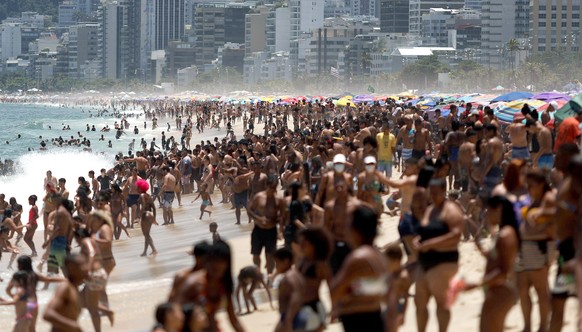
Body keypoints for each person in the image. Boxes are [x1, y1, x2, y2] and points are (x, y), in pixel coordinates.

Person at [463, 195, 519, 332]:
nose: (486, 213)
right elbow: (497, 259)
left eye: (489, 209)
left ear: (498, 209)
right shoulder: (504, 233)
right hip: (497, 290)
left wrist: (477, 284)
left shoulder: (506, 235)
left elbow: (502, 271)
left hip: (501, 291)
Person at [414, 177, 462, 332]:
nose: (433, 196)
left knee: (441, 303)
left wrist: (431, 244)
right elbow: (424, 231)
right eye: (431, 193)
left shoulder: (451, 210)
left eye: (436, 193)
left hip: (444, 260)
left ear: (443, 191)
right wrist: (418, 240)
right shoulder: (430, 210)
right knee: (420, 302)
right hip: (425, 261)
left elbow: (456, 235)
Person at [330, 204, 387, 332]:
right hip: (373, 317)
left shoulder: (358, 258)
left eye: (349, 226)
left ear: (357, 230)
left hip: (360, 322)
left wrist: (350, 289)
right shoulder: (376, 255)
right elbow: (381, 289)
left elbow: (334, 292)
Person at [177, 241, 244, 332]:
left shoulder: (223, 286)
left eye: (222, 261)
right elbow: (174, 314)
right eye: (214, 260)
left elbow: (233, 320)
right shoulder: (195, 283)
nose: (217, 265)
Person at [247, 175, 285, 276]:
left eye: (274, 188)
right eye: (270, 187)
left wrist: (280, 231)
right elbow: (250, 210)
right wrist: (258, 218)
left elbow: (282, 217)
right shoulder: (259, 197)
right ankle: (258, 274)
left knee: (270, 256)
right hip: (258, 230)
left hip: (271, 231)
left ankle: (269, 277)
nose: (272, 190)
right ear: (266, 186)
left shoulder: (279, 200)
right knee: (256, 255)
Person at [297, 227, 332, 332]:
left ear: (314, 244)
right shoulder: (302, 261)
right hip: (299, 307)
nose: (301, 246)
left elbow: (331, 286)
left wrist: (335, 308)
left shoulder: (320, 264)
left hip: (313, 307)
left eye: (305, 244)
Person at [43, 253, 88, 332]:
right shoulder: (65, 287)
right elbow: (48, 314)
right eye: (83, 265)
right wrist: (74, 326)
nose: (87, 268)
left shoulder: (75, 287)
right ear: (71, 268)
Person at [274, 247, 306, 332]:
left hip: (292, 317)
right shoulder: (296, 274)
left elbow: (295, 298)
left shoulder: (287, 279)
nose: (276, 266)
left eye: (277, 262)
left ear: (286, 261)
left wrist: (288, 321)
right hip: (299, 314)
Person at [384, 244, 411, 332]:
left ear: (396, 261)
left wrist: (403, 314)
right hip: (388, 307)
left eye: (388, 262)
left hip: (397, 308)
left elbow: (406, 297)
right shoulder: (392, 273)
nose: (387, 265)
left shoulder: (403, 276)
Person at [137, 179, 158, 257]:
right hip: (150, 215)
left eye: (137, 187)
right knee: (147, 234)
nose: (136, 188)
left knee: (146, 235)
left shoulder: (142, 195)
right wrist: (154, 218)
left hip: (145, 215)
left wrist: (139, 216)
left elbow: (143, 205)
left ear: (140, 188)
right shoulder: (149, 196)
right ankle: (145, 251)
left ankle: (154, 250)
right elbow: (154, 208)